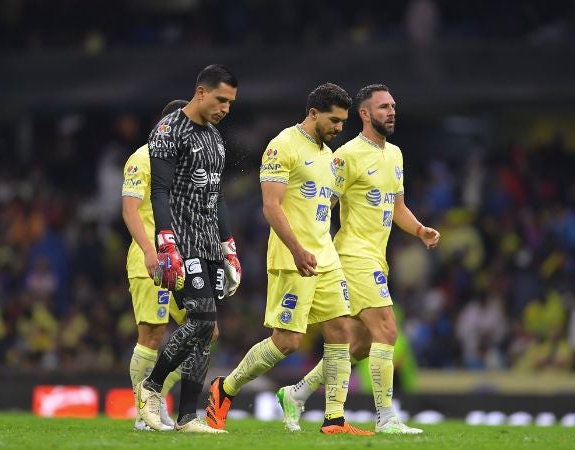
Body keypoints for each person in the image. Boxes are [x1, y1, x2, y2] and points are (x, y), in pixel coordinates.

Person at [205, 83, 372, 435]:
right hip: (291, 256)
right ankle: (225, 389)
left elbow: (325, 203)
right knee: (287, 342)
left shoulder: (329, 155)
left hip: (325, 255)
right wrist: (298, 249)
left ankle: (335, 418)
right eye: (334, 120)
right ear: (313, 113)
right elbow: (271, 206)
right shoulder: (282, 146)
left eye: (343, 122)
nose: (339, 128)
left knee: (343, 329)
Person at [276, 84, 440, 434]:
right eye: (383, 107)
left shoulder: (395, 154)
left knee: (361, 344)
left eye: (393, 106)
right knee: (387, 329)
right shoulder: (346, 155)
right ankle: (386, 418)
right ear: (365, 114)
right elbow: (323, 203)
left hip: (377, 257)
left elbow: (397, 207)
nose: (391, 112)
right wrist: (311, 244)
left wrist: (420, 230)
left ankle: (297, 392)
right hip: (352, 254)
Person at [135, 64, 242, 434]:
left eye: (230, 102)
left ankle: (187, 418)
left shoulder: (214, 137)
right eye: (220, 99)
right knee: (202, 319)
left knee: (207, 333)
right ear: (201, 92)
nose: (225, 108)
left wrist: (229, 245)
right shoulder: (168, 131)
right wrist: (166, 239)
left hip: (210, 242)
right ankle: (150, 388)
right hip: (182, 241)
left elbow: (217, 195)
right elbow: (159, 190)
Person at [123, 99, 211, 431]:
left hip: (184, 259)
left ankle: (154, 394)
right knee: (152, 333)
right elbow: (130, 210)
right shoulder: (142, 158)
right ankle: (142, 414)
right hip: (152, 258)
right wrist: (149, 251)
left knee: (206, 328)